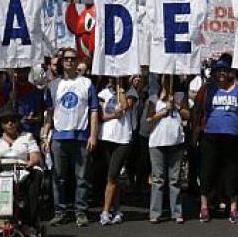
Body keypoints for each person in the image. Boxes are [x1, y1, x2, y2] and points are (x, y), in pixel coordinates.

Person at [45, 48, 99, 227]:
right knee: (58, 177)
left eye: (73, 59)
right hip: (59, 137)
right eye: (66, 59)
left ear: (77, 62)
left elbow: (93, 111)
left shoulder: (87, 83)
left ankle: (81, 212)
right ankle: (60, 211)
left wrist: (93, 135)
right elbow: (49, 113)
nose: (69, 61)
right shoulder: (53, 86)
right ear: (61, 62)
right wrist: (45, 135)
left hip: (81, 136)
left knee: (82, 177)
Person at [197, 56, 238, 223]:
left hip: (233, 138)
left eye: (224, 71)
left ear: (229, 73)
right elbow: (197, 110)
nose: (221, 74)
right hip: (211, 136)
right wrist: (195, 131)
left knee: (232, 173)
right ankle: (204, 207)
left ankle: (233, 208)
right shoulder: (207, 89)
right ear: (213, 73)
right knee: (207, 172)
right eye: (218, 71)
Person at [0, 104, 44, 236]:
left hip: (21, 173)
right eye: (6, 121)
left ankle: (29, 222)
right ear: (1, 124)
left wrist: (31, 162)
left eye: (13, 120)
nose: (10, 123)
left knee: (37, 175)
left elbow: (35, 156)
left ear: (17, 122)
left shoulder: (27, 137)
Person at [146, 80, 190, 223]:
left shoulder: (180, 95)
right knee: (158, 179)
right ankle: (155, 213)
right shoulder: (154, 98)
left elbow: (187, 114)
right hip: (157, 142)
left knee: (174, 179)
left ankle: (176, 212)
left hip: (175, 142)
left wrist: (176, 106)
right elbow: (149, 119)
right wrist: (164, 110)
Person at [97, 76, 139, 225]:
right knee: (111, 177)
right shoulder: (104, 93)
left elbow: (124, 106)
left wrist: (120, 88)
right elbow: (102, 115)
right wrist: (114, 115)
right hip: (106, 137)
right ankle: (117, 209)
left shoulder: (131, 92)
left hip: (122, 139)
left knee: (112, 175)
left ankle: (105, 211)